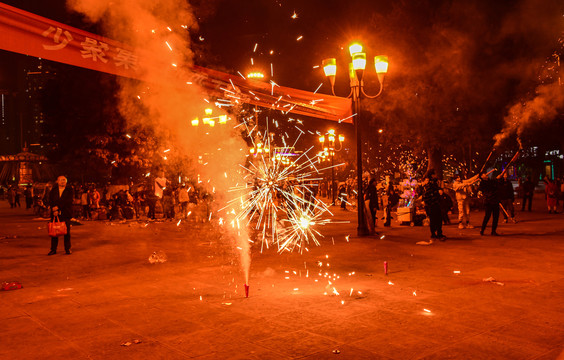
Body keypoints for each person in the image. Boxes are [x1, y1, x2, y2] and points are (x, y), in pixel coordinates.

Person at [48, 176, 74, 255]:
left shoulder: (69, 190)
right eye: (60, 180)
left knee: (67, 232)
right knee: (54, 232)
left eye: (64, 180)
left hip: (65, 213)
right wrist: (54, 209)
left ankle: (67, 248)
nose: (62, 181)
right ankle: (53, 249)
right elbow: (50, 200)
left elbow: (68, 201)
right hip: (55, 214)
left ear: (66, 182)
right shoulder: (53, 190)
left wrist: (58, 207)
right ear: (57, 181)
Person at [420, 169, 445, 242]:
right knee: (436, 219)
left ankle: (436, 233)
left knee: (435, 220)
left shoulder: (432, 183)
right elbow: (428, 194)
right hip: (433, 204)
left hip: (433, 204)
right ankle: (436, 234)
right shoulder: (430, 184)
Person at [478, 171, 502, 236]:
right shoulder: (482, 183)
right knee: (487, 216)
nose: (485, 174)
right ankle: (482, 229)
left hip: (495, 201)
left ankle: (493, 231)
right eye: (483, 174)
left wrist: (498, 179)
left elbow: (495, 186)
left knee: (496, 217)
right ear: (481, 177)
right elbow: (489, 186)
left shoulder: (490, 180)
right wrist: (496, 179)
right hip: (488, 202)